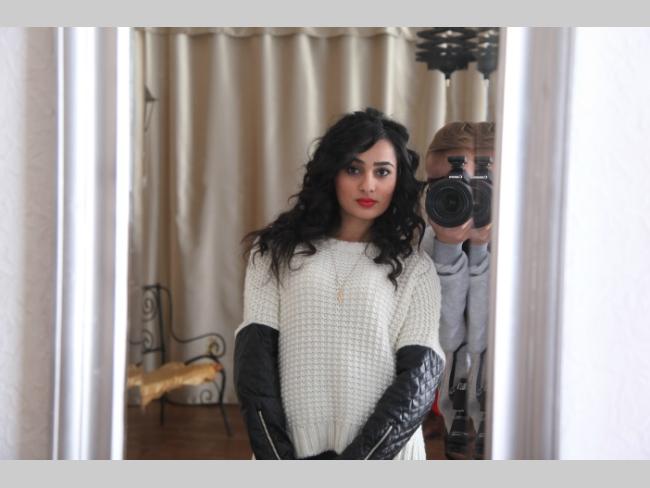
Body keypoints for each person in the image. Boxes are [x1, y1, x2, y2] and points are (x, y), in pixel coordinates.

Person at [234, 107, 445, 460]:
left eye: (382, 172)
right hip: (290, 452)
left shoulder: (416, 268)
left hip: (384, 457)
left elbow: (417, 382)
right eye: (353, 169)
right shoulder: (274, 251)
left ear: (398, 180)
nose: (368, 185)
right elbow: (254, 368)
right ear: (332, 172)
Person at [420, 121, 494, 459]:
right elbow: (444, 336)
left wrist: (479, 249)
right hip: (453, 399)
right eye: (437, 185)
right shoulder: (427, 239)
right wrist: (449, 247)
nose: (453, 195)